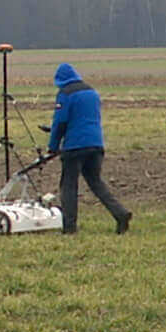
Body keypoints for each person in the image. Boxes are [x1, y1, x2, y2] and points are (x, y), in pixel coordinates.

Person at [47, 62, 132, 235]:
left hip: (75, 146)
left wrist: (53, 146)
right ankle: (120, 213)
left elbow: (60, 122)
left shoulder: (65, 94)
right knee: (95, 182)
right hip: (96, 144)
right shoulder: (92, 92)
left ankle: (69, 228)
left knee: (69, 185)